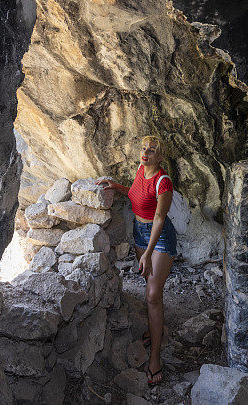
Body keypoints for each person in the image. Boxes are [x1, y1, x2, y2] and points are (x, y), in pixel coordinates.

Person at [97, 134, 176, 386]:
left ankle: (155, 356)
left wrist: (149, 253)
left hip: (159, 237)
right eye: (144, 148)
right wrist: (116, 186)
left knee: (153, 294)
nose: (146, 153)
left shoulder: (163, 182)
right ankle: (156, 328)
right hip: (139, 232)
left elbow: (160, 219)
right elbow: (134, 195)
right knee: (148, 287)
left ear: (160, 156)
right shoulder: (141, 170)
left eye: (152, 150)